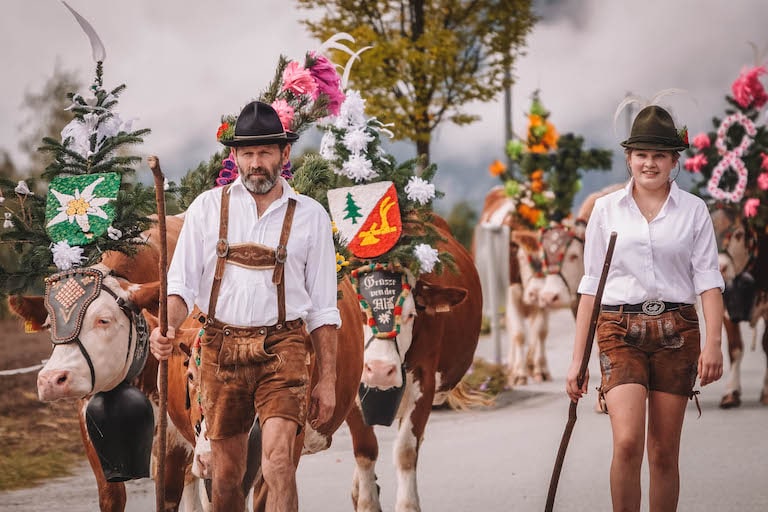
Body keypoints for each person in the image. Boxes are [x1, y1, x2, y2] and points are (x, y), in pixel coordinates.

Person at [149, 101, 339, 511]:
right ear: (234, 157)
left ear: (284, 155)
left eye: (266, 152)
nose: (256, 163)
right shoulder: (206, 208)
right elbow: (180, 286)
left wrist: (327, 379)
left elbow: (323, 309)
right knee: (226, 475)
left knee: (278, 463)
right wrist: (168, 327)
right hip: (220, 347)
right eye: (248, 153)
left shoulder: (311, 217)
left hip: (283, 348)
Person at [565, 105, 724, 511]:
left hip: (678, 331)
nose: (649, 163)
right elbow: (590, 288)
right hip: (619, 330)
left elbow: (708, 280)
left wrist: (714, 344)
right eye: (641, 154)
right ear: (629, 158)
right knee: (629, 441)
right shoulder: (605, 211)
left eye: (659, 155)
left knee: (663, 451)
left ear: (674, 160)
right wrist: (576, 361)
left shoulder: (693, 211)